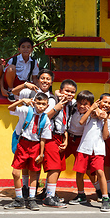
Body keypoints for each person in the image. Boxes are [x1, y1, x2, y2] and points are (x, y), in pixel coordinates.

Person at [4, 92, 51, 211]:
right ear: (34, 102)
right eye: (38, 103)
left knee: (34, 173)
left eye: (43, 104)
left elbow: (43, 139)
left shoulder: (46, 119)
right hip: (23, 144)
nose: (40, 106)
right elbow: (10, 108)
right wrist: (22, 100)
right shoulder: (26, 111)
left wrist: (41, 154)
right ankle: (19, 199)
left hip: (35, 146)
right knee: (15, 172)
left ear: (47, 105)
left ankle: (31, 199)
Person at [13, 69, 56, 198]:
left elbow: (45, 116)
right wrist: (25, 85)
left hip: (36, 137)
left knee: (32, 166)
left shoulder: (51, 98)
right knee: (21, 164)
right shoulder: (29, 91)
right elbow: (13, 93)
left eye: (48, 79)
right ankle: (24, 189)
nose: (45, 81)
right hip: (21, 134)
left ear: (51, 82)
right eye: (42, 78)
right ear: (37, 79)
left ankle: (31, 192)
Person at [71, 93, 110, 212]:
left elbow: (105, 136)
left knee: (100, 172)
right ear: (98, 102)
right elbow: (81, 122)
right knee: (79, 173)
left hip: (98, 150)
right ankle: (81, 195)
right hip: (84, 147)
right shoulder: (90, 116)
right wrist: (92, 109)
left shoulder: (109, 121)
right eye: (104, 102)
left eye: (109, 103)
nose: (106, 105)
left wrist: (105, 119)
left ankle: (105, 198)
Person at [41, 79, 77, 208]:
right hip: (50, 136)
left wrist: (65, 138)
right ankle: (49, 198)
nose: (69, 94)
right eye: (66, 91)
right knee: (54, 166)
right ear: (61, 91)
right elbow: (43, 117)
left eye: (72, 92)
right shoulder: (52, 101)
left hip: (60, 137)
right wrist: (56, 108)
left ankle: (48, 192)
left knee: (58, 167)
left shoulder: (70, 104)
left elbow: (64, 123)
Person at [67, 91, 103, 204]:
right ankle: (49, 190)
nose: (82, 106)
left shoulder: (93, 114)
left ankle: (98, 190)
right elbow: (59, 92)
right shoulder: (73, 107)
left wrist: (92, 109)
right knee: (57, 164)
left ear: (91, 104)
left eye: (86, 104)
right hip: (68, 139)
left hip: (81, 142)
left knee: (86, 170)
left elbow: (82, 121)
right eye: (80, 103)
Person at [1, 37, 40, 102]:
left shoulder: (34, 62)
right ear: (19, 49)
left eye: (28, 47)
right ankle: (11, 91)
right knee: (11, 68)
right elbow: (2, 74)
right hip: (12, 82)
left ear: (32, 49)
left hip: (24, 83)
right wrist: (2, 88)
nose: (26, 49)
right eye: (23, 47)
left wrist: (38, 88)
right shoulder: (14, 60)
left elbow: (34, 78)